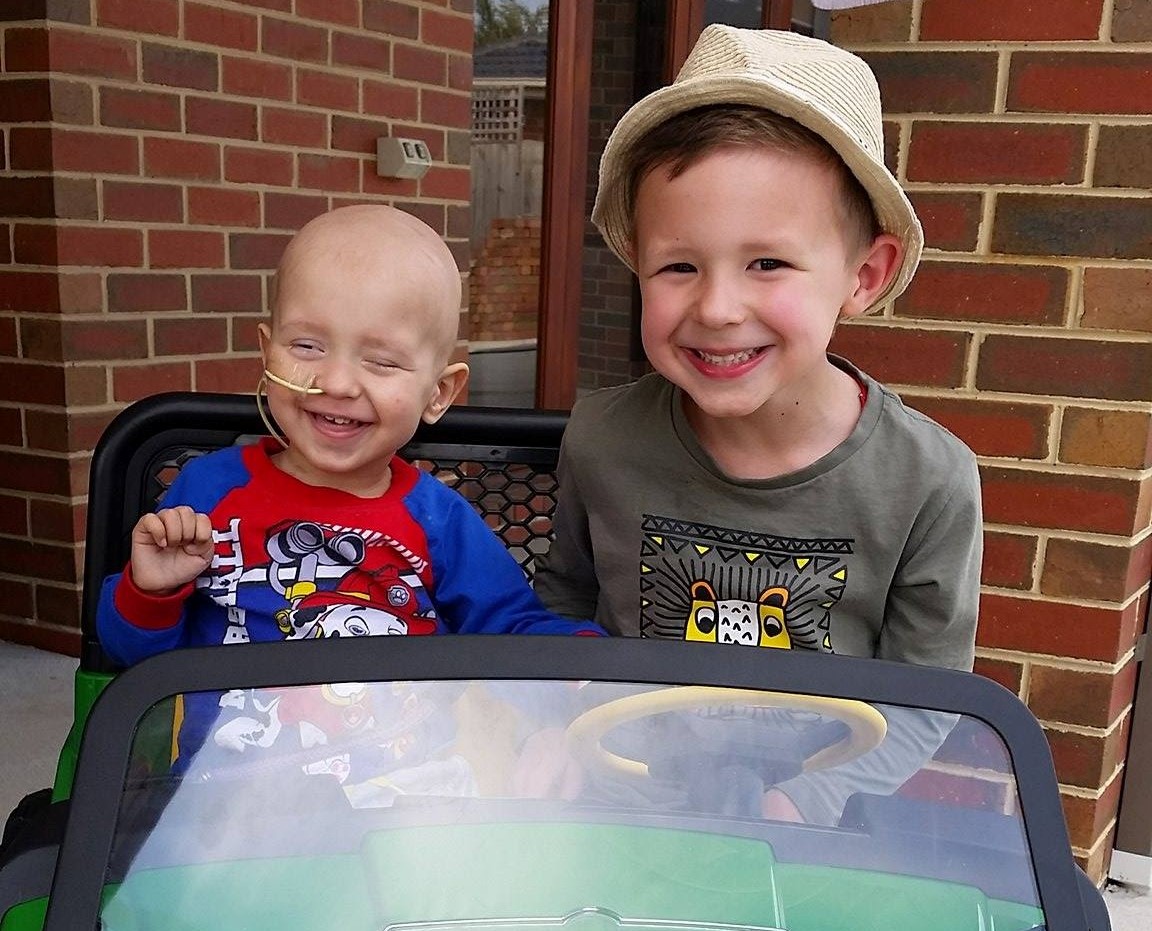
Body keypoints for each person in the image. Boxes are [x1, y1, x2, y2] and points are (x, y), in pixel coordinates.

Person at [533, 26, 982, 823]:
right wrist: (545, 723)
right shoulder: (600, 437)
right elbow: (565, 609)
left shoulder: (928, 482)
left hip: (813, 828)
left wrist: (815, 798)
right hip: (615, 810)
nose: (716, 308)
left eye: (766, 262)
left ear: (863, 276)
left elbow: (926, 700)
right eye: (678, 265)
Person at [97, 205, 603, 761]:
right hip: (224, 803)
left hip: (401, 795)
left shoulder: (439, 521)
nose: (336, 382)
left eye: (381, 361)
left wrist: (582, 668)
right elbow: (132, 661)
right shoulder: (208, 492)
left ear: (439, 393)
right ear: (266, 351)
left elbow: (509, 630)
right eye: (307, 346)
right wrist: (151, 592)